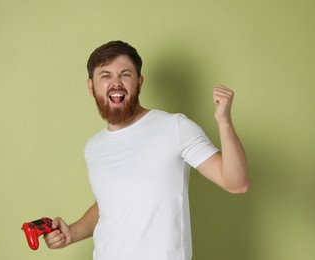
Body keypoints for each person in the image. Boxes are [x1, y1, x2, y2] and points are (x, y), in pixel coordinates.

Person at [44, 40, 249, 260]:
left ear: (139, 83)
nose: (116, 83)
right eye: (106, 75)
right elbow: (109, 205)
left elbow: (236, 182)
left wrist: (224, 122)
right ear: (91, 86)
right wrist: (72, 233)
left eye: (125, 74)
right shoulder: (94, 147)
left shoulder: (175, 128)